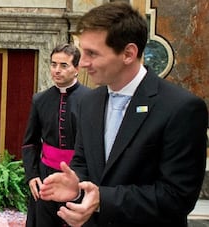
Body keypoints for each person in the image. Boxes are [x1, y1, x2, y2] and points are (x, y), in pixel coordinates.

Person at [39, 2, 208, 227]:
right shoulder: (89, 101)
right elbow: (83, 162)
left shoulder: (182, 108)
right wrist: (76, 183)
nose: (84, 63)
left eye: (92, 53)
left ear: (128, 53)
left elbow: (177, 196)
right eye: (82, 52)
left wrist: (103, 199)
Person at [22, 43, 90, 227]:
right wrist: (32, 175)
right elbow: (30, 143)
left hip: (79, 177)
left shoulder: (92, 100)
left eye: (63, 65)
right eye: (53, 64)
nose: (57, 70)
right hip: (46, 176)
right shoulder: (40, 99)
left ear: (77, 68)